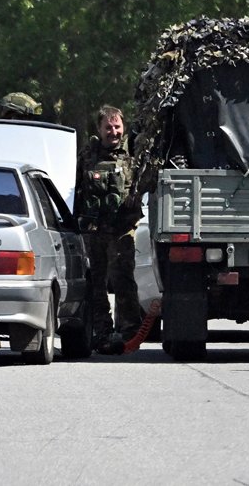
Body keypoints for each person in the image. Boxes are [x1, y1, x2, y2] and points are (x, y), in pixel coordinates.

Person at [76, 105, 143, 355]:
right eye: (108, 127)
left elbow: (148, 180)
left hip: (122, 228)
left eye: (117, 127)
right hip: (95, 229)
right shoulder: (88, 154)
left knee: (123, 279)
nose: (113, 132)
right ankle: (100, 331)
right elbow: (75, 184)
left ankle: (129, 332)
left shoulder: (134, 153)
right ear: (99, 129)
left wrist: (137, 196)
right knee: (96, 282)